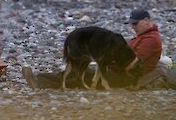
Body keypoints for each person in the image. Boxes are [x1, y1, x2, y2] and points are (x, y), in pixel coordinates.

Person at [22, 8, 164, 90]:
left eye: (135, 23)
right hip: (118, 71)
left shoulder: (151, 39)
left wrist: (107, 59)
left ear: (146, 21)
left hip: (127, 77)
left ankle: (40, 83)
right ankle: (41, 79)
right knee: (81, 69)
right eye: (131, 24)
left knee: (83, 75)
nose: (133, 27)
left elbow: (132, 63)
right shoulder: (142, 36)